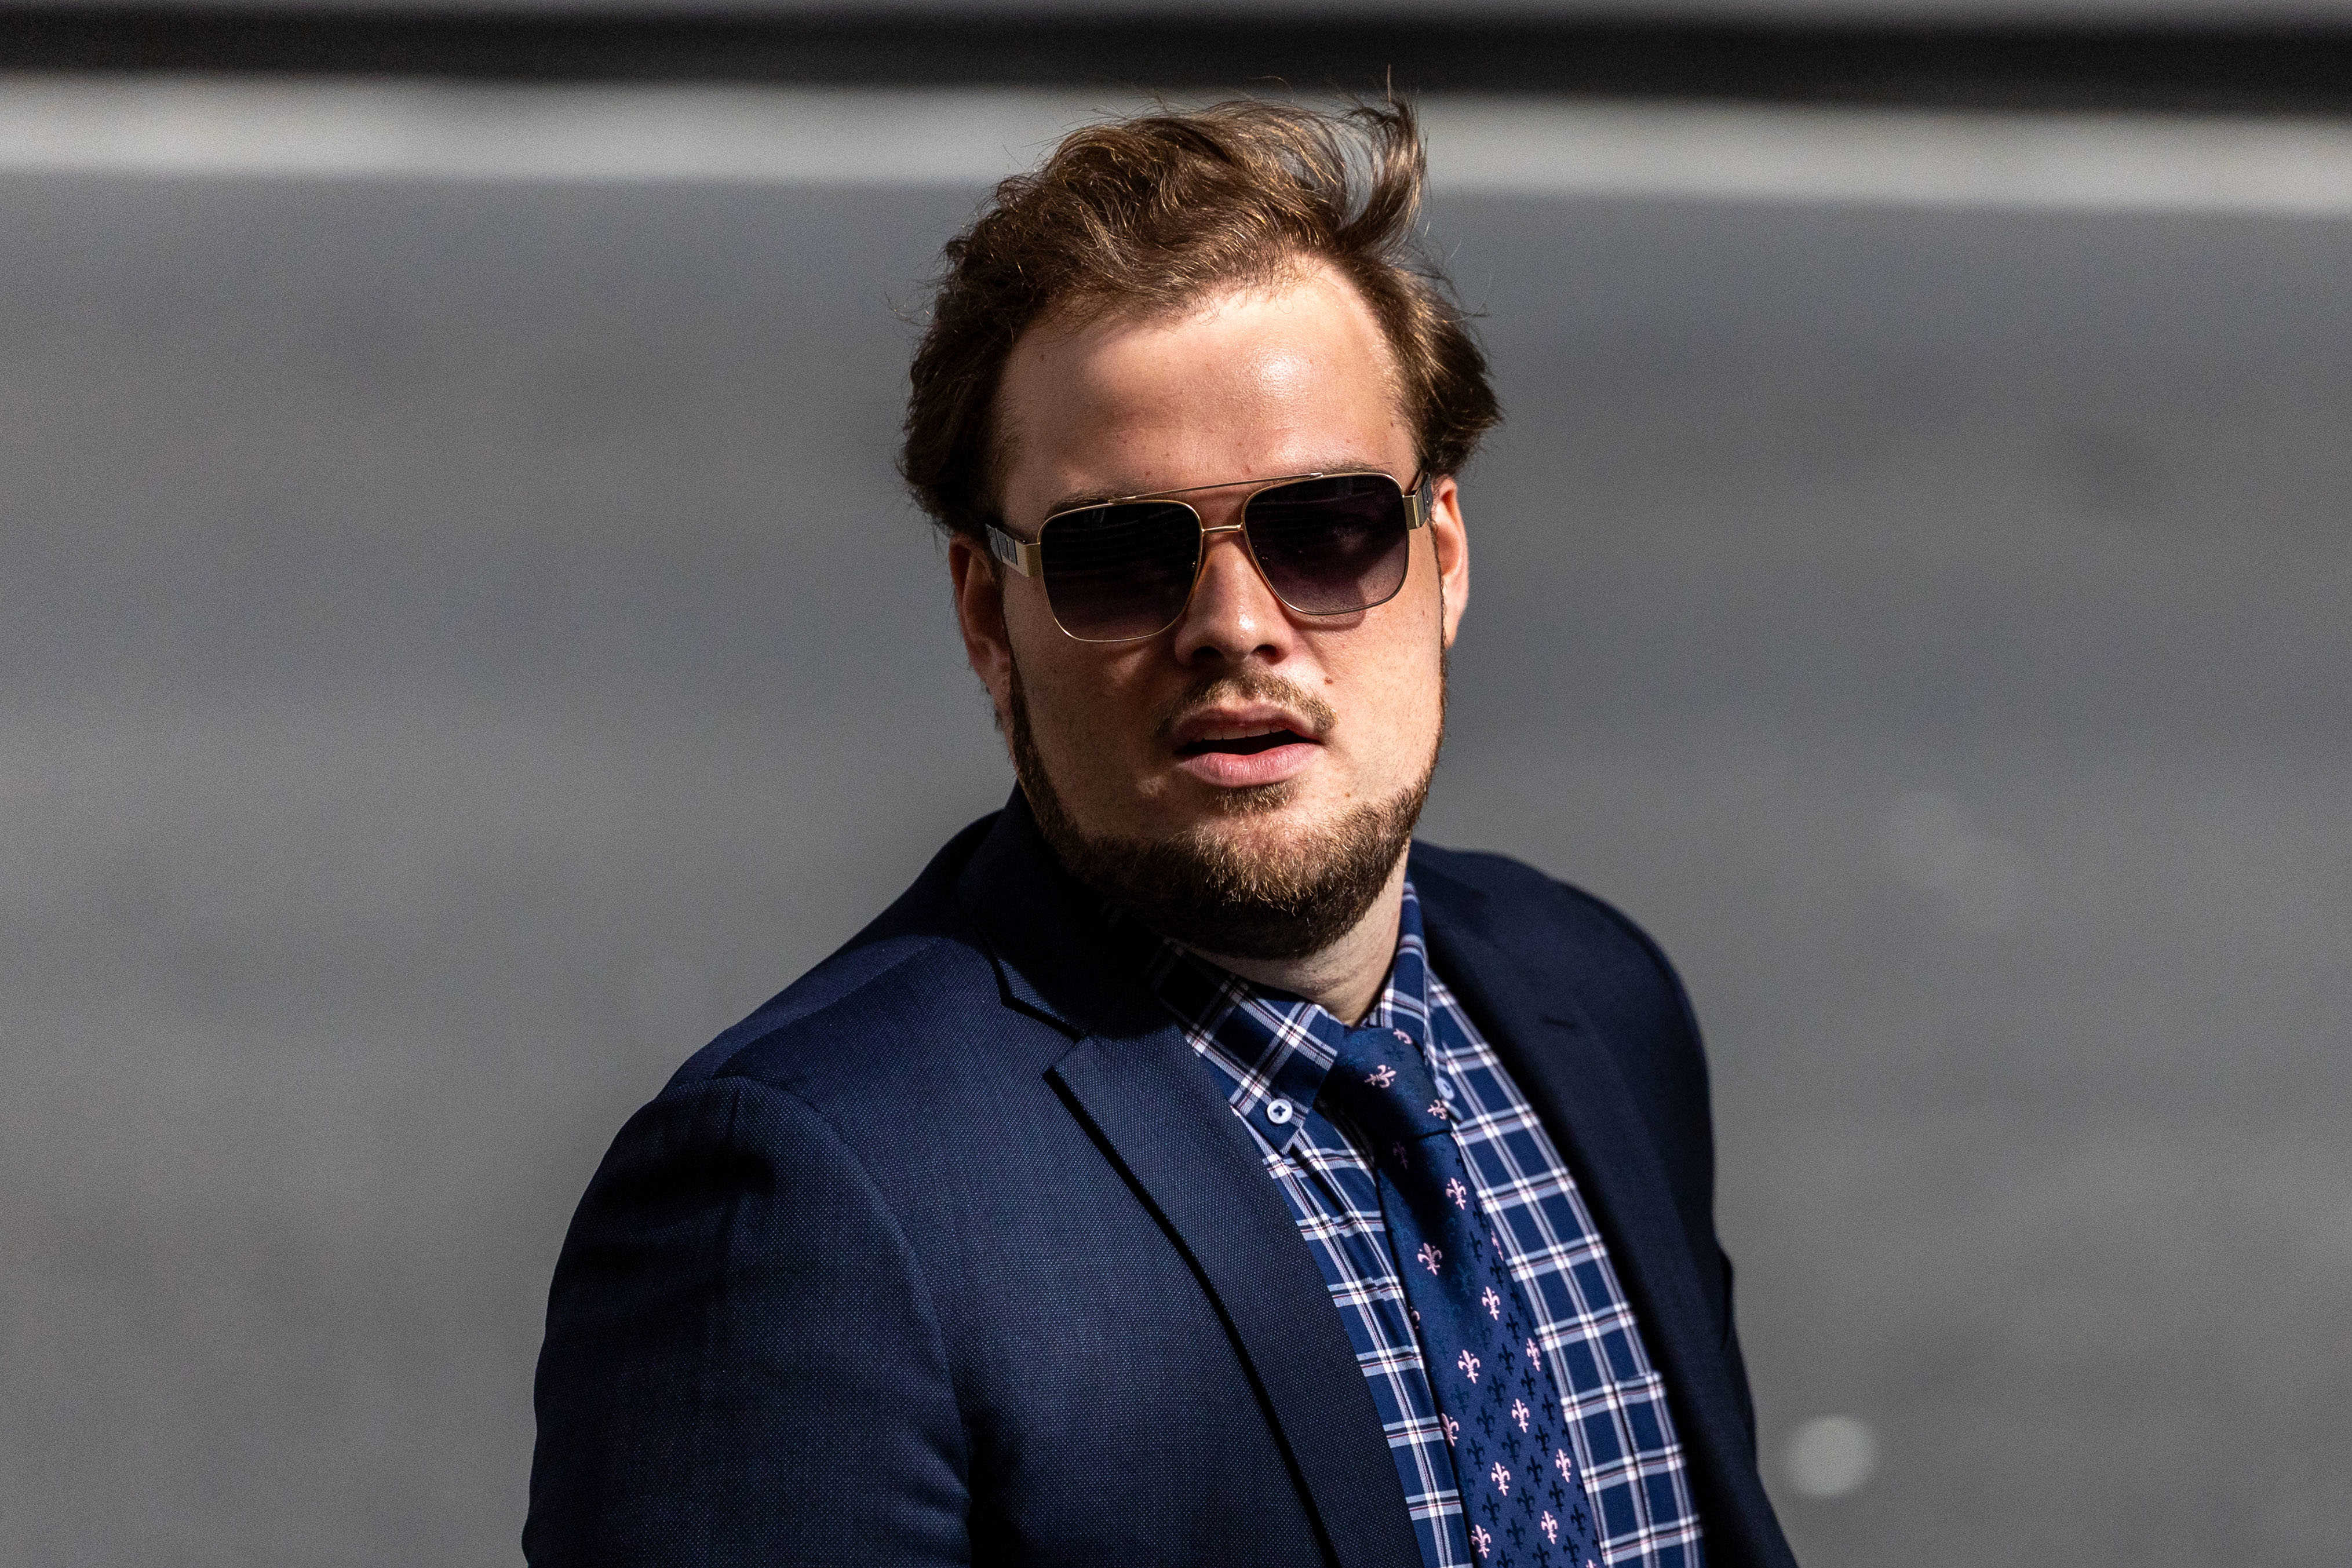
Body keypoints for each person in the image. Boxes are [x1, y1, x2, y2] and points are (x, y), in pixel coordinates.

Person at [526, 100, 1796, 1568]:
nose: (1234, 628)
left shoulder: (1597, 1002)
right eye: (1120, 558)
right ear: (983, 615)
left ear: (1439, 556)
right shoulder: (805, 1210)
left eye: (1326, 528)